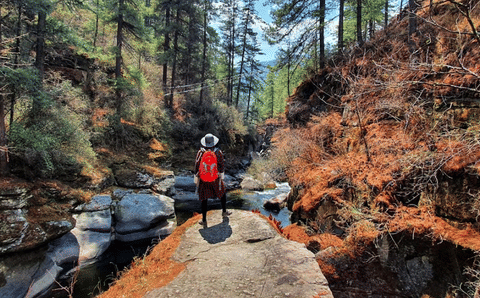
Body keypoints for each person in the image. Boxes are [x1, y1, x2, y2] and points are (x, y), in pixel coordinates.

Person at [194, 133, 231, 227]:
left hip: (203, 179)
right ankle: (224, 212)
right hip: (215, 179)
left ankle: (204, 220)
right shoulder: (218, 152)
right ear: (214, 143)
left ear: (204, 143)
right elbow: (222, 166)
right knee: (222, 193)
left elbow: (197, 165)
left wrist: (196, 177)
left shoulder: (200, 152)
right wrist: (221, 176)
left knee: (204, 198)